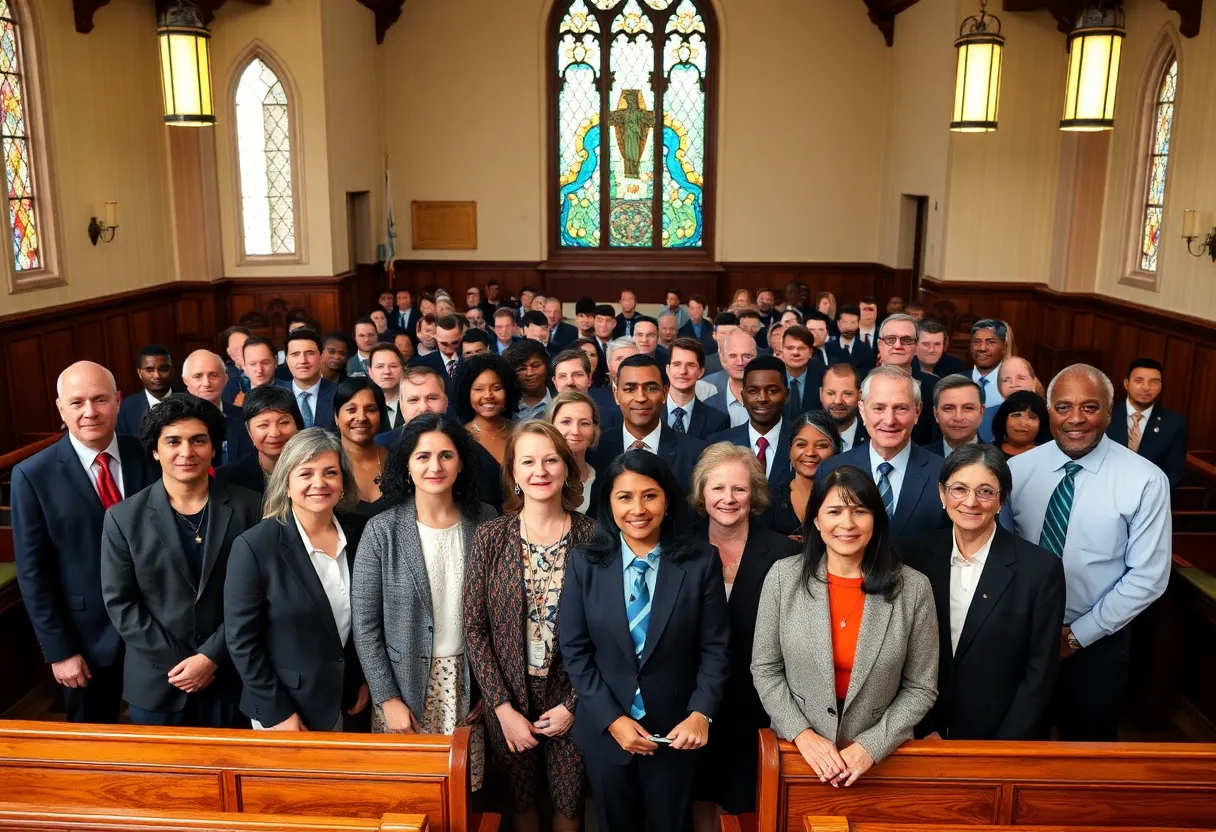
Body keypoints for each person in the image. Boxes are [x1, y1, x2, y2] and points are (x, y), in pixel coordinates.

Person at [559, 451, 730, 832]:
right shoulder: (585, 562)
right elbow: (575, 649)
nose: (638, 508)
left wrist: (700, 713)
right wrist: (613, 720)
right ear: (608, 503)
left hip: (676, 731)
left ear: (668, 499)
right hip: (607, 734)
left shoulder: (701, 562)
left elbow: (715, 648)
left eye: (650, 495)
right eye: (625, 497)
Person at [1007, 364, 1171, 741]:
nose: (1075, 419)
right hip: (1020, 638)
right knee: (1017, 751)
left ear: (1110, 413)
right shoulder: (1017, 470)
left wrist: (1075, 637)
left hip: (1097, 644)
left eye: (1090, 407)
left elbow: (1148, 576)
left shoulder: (1145, 480)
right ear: (1048, 411)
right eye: (1063, 407)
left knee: (1087, 757)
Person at [751, 465, 938, 787]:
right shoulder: (783, 578)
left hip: (880, 761)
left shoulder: (913, 587)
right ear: (816, 519)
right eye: (835, 511)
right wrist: (803, 735)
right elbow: (765, 669)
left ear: (876, 519)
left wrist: (871, 746)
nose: (847, 524)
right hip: (798, 756)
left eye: (860, 511)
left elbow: (921, 687)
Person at [351, 413, 497, 785]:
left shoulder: (486, 520)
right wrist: (388, 700)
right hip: (403, 688)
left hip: (468, 680)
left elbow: (498, 616)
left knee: (462, 796)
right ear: (407, 465)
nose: (435, 466)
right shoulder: (382, 530)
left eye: (446, 456)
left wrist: (488, 686)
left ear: (461, 463)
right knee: (406, 794)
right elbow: (366, 628)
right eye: (423, 456)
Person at [101, 394, 261, 727]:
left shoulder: (251, 508)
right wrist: (185, 662)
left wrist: (211, 658)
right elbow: (122, 605)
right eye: (173, 441)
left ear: (214, 448)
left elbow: (261, 596)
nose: (186, 452)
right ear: (156, 450)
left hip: (232, 677)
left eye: (198, 440)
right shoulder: (123, 518)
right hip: (159, 682)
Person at [465, 423, 594, 832]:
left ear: (567, 468)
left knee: (570, 804)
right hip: (509, 697)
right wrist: (502, 709)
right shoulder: (491, 535)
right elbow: (475, 627)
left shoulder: (593, 537)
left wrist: (573, 705)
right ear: (513, 474)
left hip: (571, 694)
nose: (540, 470)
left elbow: (608, 633)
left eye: (551, 459)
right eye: (528, 461)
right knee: (520, 803)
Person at [12, 362, 157, 723]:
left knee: (165, 740)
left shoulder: (151, 456)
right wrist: (59, 651)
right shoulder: (33, 475)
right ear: (61, 408)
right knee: (94, 743)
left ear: (119, 401)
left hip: (157, 629)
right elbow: (34, 573)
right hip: (86, 639)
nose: (89, 412)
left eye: (99, 400)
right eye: (77, 403)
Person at [905, 445, 1065, 740]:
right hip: (924, 732)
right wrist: (923, 728)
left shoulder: (1040, 570)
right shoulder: (914, 556)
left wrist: (1003, 748)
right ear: (942, 494)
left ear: (1001, 499)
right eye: (959, 489)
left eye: (985, 491)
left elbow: (1040, 673)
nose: (971, 502)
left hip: (1002, 737)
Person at [224, 429, 371, 731]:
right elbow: (242, 641)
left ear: (343, 482)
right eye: (306, 473)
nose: (319, 483)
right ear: (286, 484)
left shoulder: (361, 534)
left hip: (350, 700)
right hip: (284, 710)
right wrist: (278, 713)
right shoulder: (255, 546)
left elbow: (367, 622)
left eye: (330, 472)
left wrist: (366, 679)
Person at [687, 445, 798, 821]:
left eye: (739, 488)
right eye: (718, 488)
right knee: (694, 799)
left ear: (755, 494)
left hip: (757, 706)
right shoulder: (678, 550)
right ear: (702, 492)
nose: (728, 499)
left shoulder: (786, 554)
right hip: (691, 702)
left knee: (744, 805)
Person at [815, 366, 949, 544]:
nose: (889, 420)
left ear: (917, 411)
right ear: (862, 410)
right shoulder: (831, 470)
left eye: (900, 408)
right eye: (879, 408)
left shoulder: (944, 473)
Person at [588, 355, 706, 489]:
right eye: (630, 389)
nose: (641, 398)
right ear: (616, 395)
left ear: (665, 394)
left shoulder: (695, 454)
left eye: (651, 389)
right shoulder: (595, 451)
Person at [707, 356, 793, 490]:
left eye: (772, 391)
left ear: (787, 395)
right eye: (753, 391)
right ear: (743, 396)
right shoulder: (718, 443)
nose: (762, 399)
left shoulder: (801, 441)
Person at [1106, 358, 1188, 488]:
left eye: (1154, 382)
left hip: (1151, 497)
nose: (1146, 387)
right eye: (1139, 381)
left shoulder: (1175, 424)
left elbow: (1175, 472)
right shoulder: (1106, 417)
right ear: (1126, 384)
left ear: (1161, 386)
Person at [767, 410, 842, 539]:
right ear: (790, 450)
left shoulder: (849, 497)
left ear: (836, 452)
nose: (810, 453)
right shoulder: (769, 498)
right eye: (801, 444)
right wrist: (783, 545)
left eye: (821, 446)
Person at [216, 385, 303, 495]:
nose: (274, 433)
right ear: (249, 430)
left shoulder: (315, 469)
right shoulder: (229, 478)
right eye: (263, 425)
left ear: (298, 425)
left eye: (283, 423)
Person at [875, 314, 939, 445]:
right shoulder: (860, 382)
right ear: (880, 345)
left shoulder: (934, 387)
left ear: (916, 347)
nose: (898, 345)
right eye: (891, 339)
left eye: (906, 340)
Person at [182, 350, 254, 464]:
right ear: (186, 381)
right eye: (198, 376)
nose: (206, 383)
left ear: (225, 379)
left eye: (213, 375)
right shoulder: (175, 423)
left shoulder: (244, 417)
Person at [334, 377, 390, 517]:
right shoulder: (326, 464)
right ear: (336, 416)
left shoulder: (397, 461)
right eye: (351, 410)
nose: (361, 417)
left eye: (370, 409)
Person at [456, 351, 520, 465]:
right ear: (467, 394)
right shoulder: (460, 438)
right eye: (479, 389)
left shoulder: (521, 432)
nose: (488, 395)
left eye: (496, 388)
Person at [546, 391, 602, 515]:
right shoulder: (539, 476)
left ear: (594, 429)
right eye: (566, 422)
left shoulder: (603, 477)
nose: (576, 431)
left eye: (584, 423)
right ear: (551, 426)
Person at [274, 328, 338, 432]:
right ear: (286, 359)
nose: (303, 361)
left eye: (310, 353)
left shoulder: (338, 393)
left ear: (322, 356)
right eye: (295, 354)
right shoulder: (274, 395)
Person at [664, 337, 728, 440]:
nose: (683, 371)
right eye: (677, 364)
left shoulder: (718, 421)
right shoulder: (650, 414)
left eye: (690, 365)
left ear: (701, 372)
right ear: (668, 369)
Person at [117, 345, 175, 436]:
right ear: (140, 373)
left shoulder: (191, 403)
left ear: (171, 371)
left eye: (163, 369)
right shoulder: (125, 408)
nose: (157, 376)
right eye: (149, 370)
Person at [702, 330, 756, 428]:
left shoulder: (774, 404)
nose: (740, 362)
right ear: (722, 359)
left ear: (756, 358)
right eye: (732, 356)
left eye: (747, 356)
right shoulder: (707, 406)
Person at [925, 374, 985, 457]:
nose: (958, 417)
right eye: (948, 408)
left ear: (981, 412)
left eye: (968, 408)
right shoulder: (916, 459)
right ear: (936, 414)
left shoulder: (1000, 460)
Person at [780, 326, 827, 421]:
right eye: (790, 348)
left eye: (801, 348)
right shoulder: (771, 374)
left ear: (810, 351)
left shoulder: (824, 376)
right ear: (782, 349)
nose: (795, 352)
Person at [820, 363, 869, 452]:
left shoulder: (872, 437)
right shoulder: (809, 435)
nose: (838, 401)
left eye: (847, 394)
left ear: (860, 395)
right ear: (821, 394)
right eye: (831, 393)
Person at [991, 390, 1052, 460]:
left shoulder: (1048, 457)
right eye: (1016, 415)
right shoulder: (986, 454)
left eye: (1031, 417)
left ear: (1041, 423)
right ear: (1003, 420)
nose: (1023, 423)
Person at [508, 339, 554, 420]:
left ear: (547, 366)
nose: (530, 373)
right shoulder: (506, 406)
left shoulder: (558, 402)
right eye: (522, 368)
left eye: (535, 366)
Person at [969, 319, 1009, 408]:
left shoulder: (1013, 385)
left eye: (991, 342)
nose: (982, 348)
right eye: (976, 342)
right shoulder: (955, 382)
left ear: (1004, 347)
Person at [367, 344, 406, 433]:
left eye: (393, 366)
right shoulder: (363, 405)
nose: (387, 372)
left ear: (403, 369)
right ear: (370, 372)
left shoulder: (414, 403)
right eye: (380, 366)